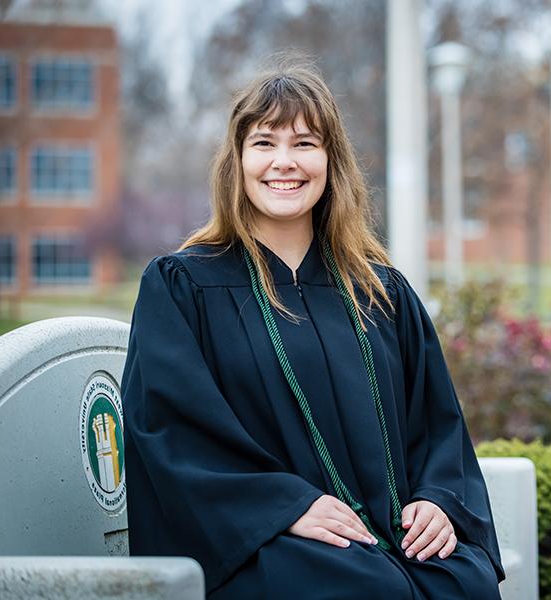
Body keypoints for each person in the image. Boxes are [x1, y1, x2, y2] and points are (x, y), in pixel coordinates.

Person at [121, 55, 504, 599]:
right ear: (237, 161)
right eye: (264, 143)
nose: (285, 162)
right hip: (262, 537)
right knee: (368, 590)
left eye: (305, 143)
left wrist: (439, 500)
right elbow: (171, 433)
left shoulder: (381, 292)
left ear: (331, 162)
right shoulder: (185, 287)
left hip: (391, 533)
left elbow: (437, 424)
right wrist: (285, 507)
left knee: (464, 581)